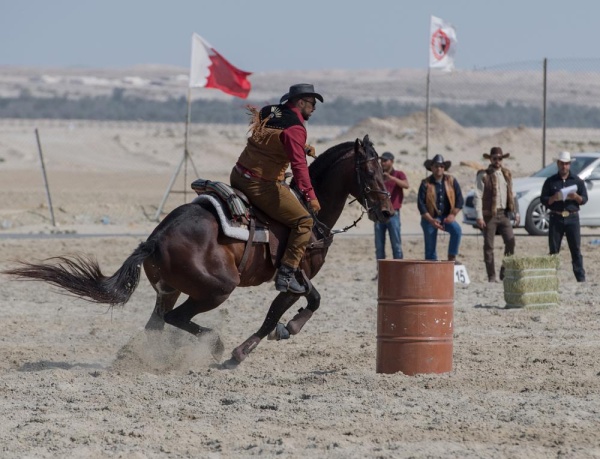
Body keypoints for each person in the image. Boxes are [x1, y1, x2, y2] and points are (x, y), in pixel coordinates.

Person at [230, 83, 323, 294]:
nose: (314, 108)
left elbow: (269, 142)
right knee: (303, 221)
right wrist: (310, 195)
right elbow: (299, 167)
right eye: (312, 103)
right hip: (260, 185)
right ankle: (287, 274)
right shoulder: (295, 128)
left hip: (238, 175)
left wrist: (303, 146)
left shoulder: (269, 112)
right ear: (300, 103)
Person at [474, 147, 520, 282]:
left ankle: (504, 272)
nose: (497, 161)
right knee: (488, 246)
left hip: (504, 214)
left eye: (500, 158)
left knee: (511, 242)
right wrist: (479, 215)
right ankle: (491, 276)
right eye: (495, 158)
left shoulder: (507, 174)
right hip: (489, 215)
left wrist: (516, 212)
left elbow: (513, 194)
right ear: (490, 159)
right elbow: (478, 195)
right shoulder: (483, 175)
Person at [540, 151, 588, 282]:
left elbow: (584, 199)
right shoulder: (550, 181)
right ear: (558, 164)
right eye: (562, 163)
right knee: (554, 249)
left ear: (570, 165)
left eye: (566, 164)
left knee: (576, 249)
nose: (564, 166)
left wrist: (576, 197)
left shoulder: (577, 181)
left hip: (572, 218)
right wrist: (553, 198)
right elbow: (543, 199)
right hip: (556, 217)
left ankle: (580, 278)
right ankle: (550, 277)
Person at [417, 154, 464, 262]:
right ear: (432, 168)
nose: (439, 168)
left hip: (446, 217)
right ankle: (431, 268)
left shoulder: (451, 181)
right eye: (436, 166)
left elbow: (460, 200)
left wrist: (453, 214)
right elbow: (421, 205)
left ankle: (451, 258)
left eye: (441, 166)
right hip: (430, 218)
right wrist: (431, 220)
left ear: (444, 168)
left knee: (456, 230)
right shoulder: (425, 183)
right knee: (430, 249)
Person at [374, 152, 409, 263]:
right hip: (379, 213)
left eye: (385, 160)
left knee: (396, 244)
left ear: (392, 161)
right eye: (381, 160)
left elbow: (406, 185)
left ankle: (398, 270)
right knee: (379, 246)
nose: (382, 163)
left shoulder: (399, 174)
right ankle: (380, 272)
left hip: (394, 213)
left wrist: (391, 178)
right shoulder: (377, 174)